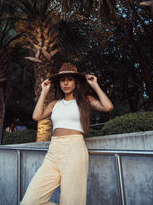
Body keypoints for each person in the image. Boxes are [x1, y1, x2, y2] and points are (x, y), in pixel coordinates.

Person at [20, 62, 114, 205]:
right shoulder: (54, 104)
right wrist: (44, 92)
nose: (65, 83)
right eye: (62, 80)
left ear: (76, 82)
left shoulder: (85, 101)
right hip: (53, 152)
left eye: (69, 79)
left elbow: (108, 106)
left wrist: (95, 85)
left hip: (74, 150)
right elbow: (36, 116)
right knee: (29, 202)